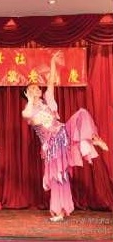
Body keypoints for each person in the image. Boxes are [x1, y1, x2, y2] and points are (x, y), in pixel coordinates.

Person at [22, 52, 108, 222]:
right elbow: (27, 115)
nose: (35, 89)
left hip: (62, 134)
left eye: (37, 88)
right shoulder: (29, 110)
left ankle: (93, 139)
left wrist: (52, 62)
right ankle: (59, 211)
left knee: (82, 114)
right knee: (59, 176)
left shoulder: (48, 101)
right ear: (26, 93)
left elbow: (51, 82)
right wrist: (30, 100)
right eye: (31, 89)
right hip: (51, 146)